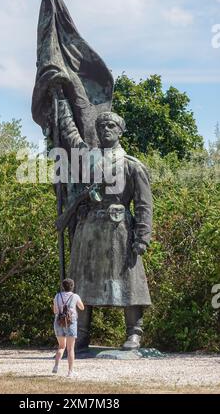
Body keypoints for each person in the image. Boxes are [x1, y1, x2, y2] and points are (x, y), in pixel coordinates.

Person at [58, 102, 153, 351]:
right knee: (82, 281)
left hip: (119, 230)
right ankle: (82, 335)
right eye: (101, 126)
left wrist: (142, 237)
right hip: (88, 229)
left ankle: (134, 333)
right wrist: (60, 99)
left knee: (128, 282)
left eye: (111, 126)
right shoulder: (87, 158)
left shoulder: (132, 165)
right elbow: (69, 133)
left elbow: (144, 205)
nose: (105, 129)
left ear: (120, 131)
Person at [52, 278, 84, 377]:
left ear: (63, 286)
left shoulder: (57, 296)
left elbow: (55, 311)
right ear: (72, 286)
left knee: (61, 346)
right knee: (70, 349)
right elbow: (82, 307)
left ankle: (56, 366)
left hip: (58, 322)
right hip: (70, 323)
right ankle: (70, 372)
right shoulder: (75, 296)